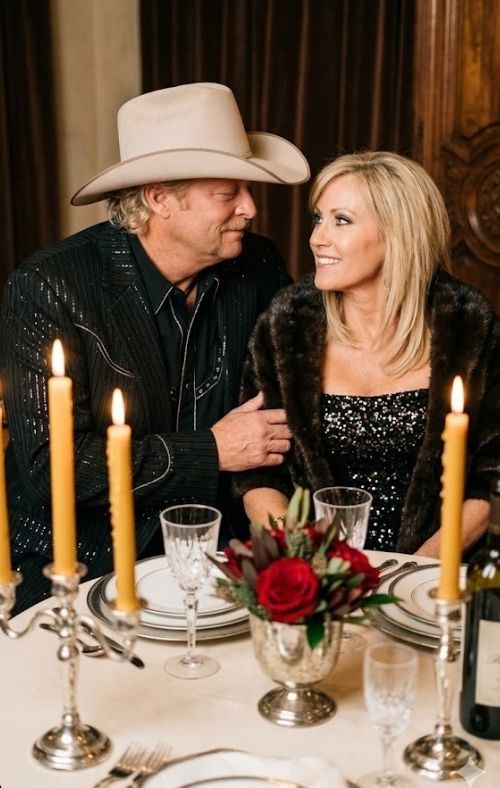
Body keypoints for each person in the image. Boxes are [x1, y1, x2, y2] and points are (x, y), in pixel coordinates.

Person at [0, 82, 310, 612]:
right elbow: (55, 466)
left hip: (224, 558)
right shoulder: (50, 286)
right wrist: (211, 451)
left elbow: (280, 415)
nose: (251, 207)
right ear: (159, 198)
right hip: (81, 563)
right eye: (227, 193)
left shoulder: (258, 267)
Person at [236, 151, 500, 557]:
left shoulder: (467, 323)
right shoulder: (288, 321)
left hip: (437, 571)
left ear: (399, 232)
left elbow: (491, 475)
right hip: (317, 569)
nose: (317, 237)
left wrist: (416, 571)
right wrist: (310, 562)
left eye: (341, 220)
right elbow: (259, 475)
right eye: (318, 218)